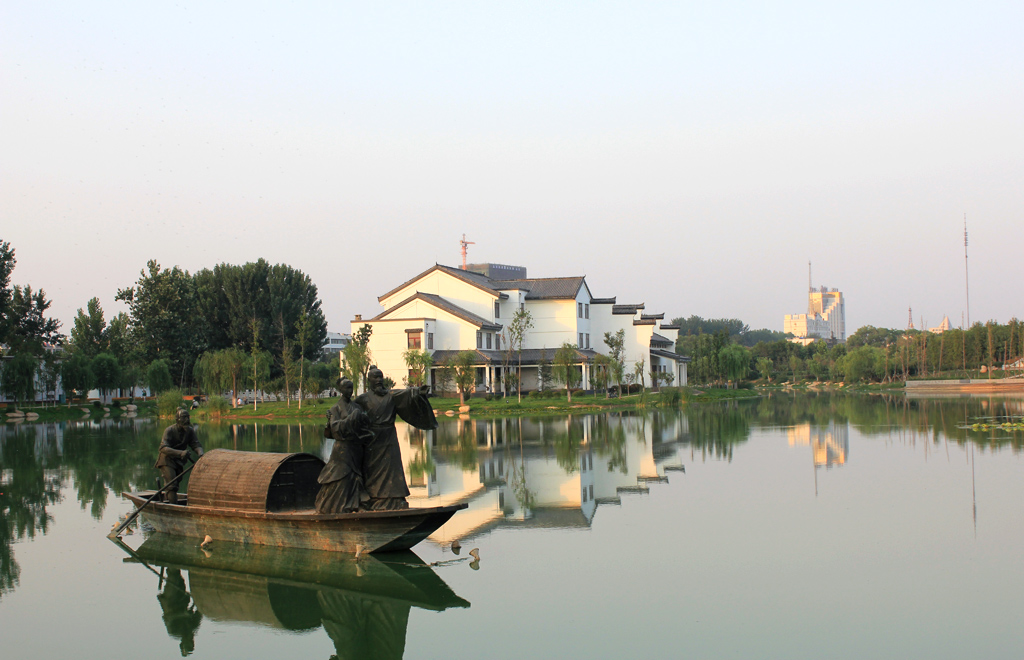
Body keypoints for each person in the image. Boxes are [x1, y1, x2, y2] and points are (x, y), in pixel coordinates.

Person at [353, 367, 437, 510]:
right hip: (372, 439)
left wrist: (418, 392)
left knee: (392, 467)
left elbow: (407, 394)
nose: (379, 380)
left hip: (389, 436)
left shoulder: (391, 395)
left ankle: (395, 499)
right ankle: (373, 498)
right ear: (369, 380)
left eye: (381, 377)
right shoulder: (363, 399)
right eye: (375, 378)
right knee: (372, 468)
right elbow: (352, 415)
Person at [316, 378, 371, 513]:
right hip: (342, 448)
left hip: (356, 447)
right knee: (341, 475)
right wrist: (351, 420)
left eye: (351, 387)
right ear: (340, 390)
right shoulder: (335, 408)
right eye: (347, 388)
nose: (350, 391)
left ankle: (356, 504)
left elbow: (365, 425)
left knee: (357, 477)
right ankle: (334, 506)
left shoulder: (357, 407)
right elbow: (335, 428)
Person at [155, 409, 204, 505]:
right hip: (167, 460)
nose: (186, 419)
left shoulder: (190, 431)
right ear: (177, 419)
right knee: (172, 485)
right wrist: (180, 453)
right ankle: (173, 507)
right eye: (183, 417)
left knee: (176, 483)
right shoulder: (169, 430)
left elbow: (196, 445)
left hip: (179, 461)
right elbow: (163, 448)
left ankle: (169, 500)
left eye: (187, 417)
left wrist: (201, 454)